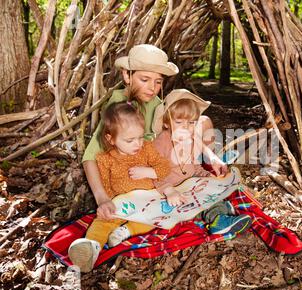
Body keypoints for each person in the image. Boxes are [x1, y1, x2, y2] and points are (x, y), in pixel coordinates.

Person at [81, 44, 225, 223]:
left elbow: (178, 129)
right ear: (127, 75)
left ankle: (203, 166)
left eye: (158, 81)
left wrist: (210, 155)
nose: (152, 88)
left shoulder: (156, 102)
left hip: (166, 157)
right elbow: (90, 156)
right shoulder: (118, 108)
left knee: (203, 121)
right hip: (145, 169)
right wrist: (102, 198)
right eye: (144, 79)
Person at [107, 89, 252, 247]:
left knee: (211, 188)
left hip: (189, 185)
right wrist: (168, 190)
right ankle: (218, 219)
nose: (186, 127)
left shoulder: (190, 139)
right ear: (166, 122)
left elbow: (193, 165)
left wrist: (203, 175)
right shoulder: (161, 143)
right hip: (168, 190)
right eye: (179, 122)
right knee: (169, 209)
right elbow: (153, 172)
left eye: (191, 123)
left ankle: (219, 211)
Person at [69, 97, 172, 273]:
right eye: (130, 140)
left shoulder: (146, 149)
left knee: (158, 217)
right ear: (111, 139)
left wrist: (149, 172)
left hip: (147, 202)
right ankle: (91, 248)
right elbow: (105, 185)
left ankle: (127, 230)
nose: (137, 144)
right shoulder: (105, 159)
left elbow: (164, 167)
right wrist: (106, 202)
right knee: (103, 221)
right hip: (121, 202)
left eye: (140, 137)